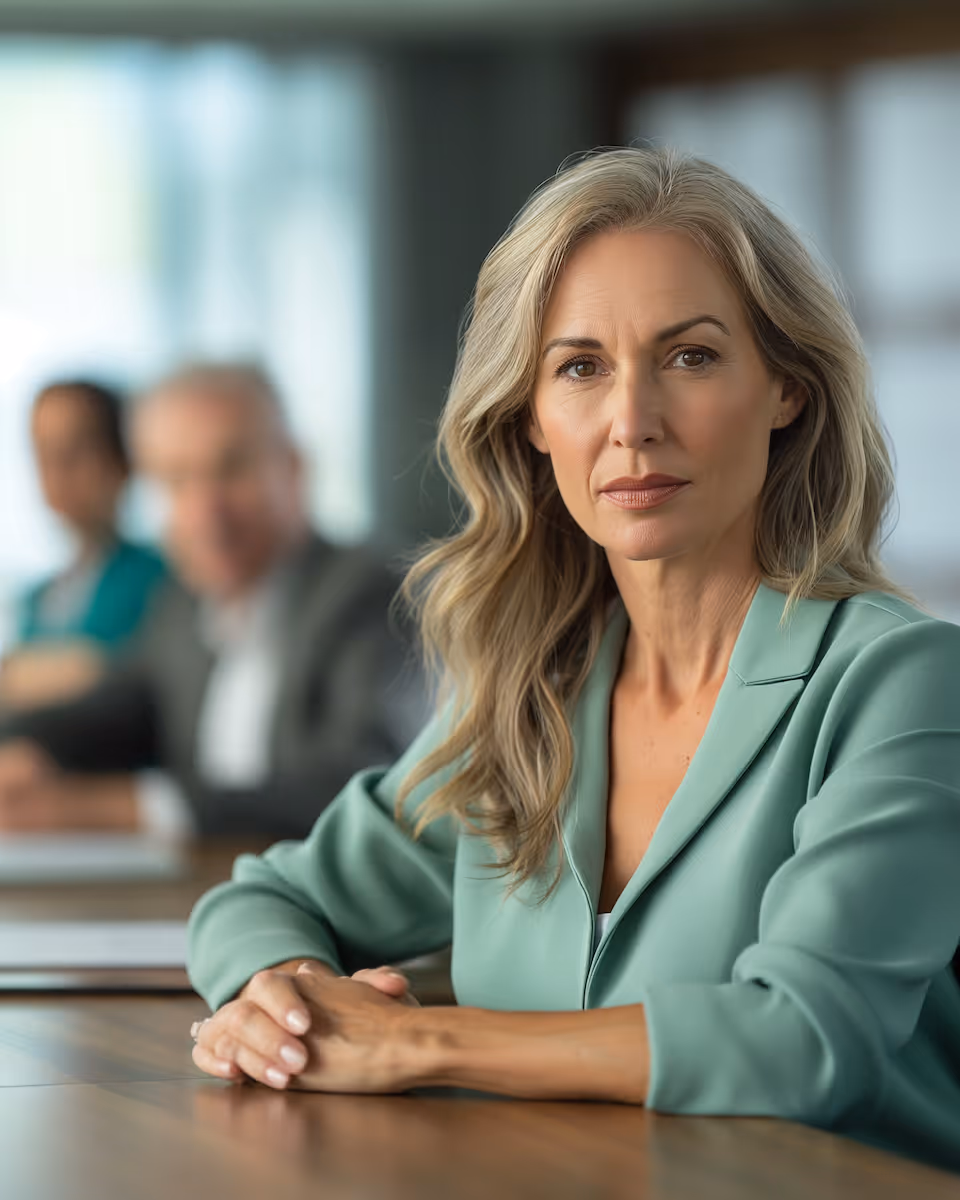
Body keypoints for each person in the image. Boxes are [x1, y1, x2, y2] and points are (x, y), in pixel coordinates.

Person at [186, 150, 960, 1171]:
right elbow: (259, 901)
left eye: (690, 357)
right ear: (533, 423)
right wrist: (287, 1002)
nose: (631, 424)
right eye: (580, 367)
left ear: (789, 392)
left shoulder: (902, 681)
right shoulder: (535, 697)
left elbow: (803, 1041)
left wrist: (413, 1040)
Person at [0, 363, 422, 838]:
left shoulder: (372, 593)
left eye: (231, 469)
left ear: (295, 468)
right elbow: (123, 705)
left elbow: (367, 779)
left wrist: (136, 807)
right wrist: (27, 744)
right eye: (178, 481)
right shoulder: (183, 602)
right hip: (198, 892)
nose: (206, 510)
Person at [0, 379, 167, 711]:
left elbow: (144, 678)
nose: (57, 471)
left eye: (76, 451)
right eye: (44, 453)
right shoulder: (36, 600)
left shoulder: (161, 577)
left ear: (122, 459)